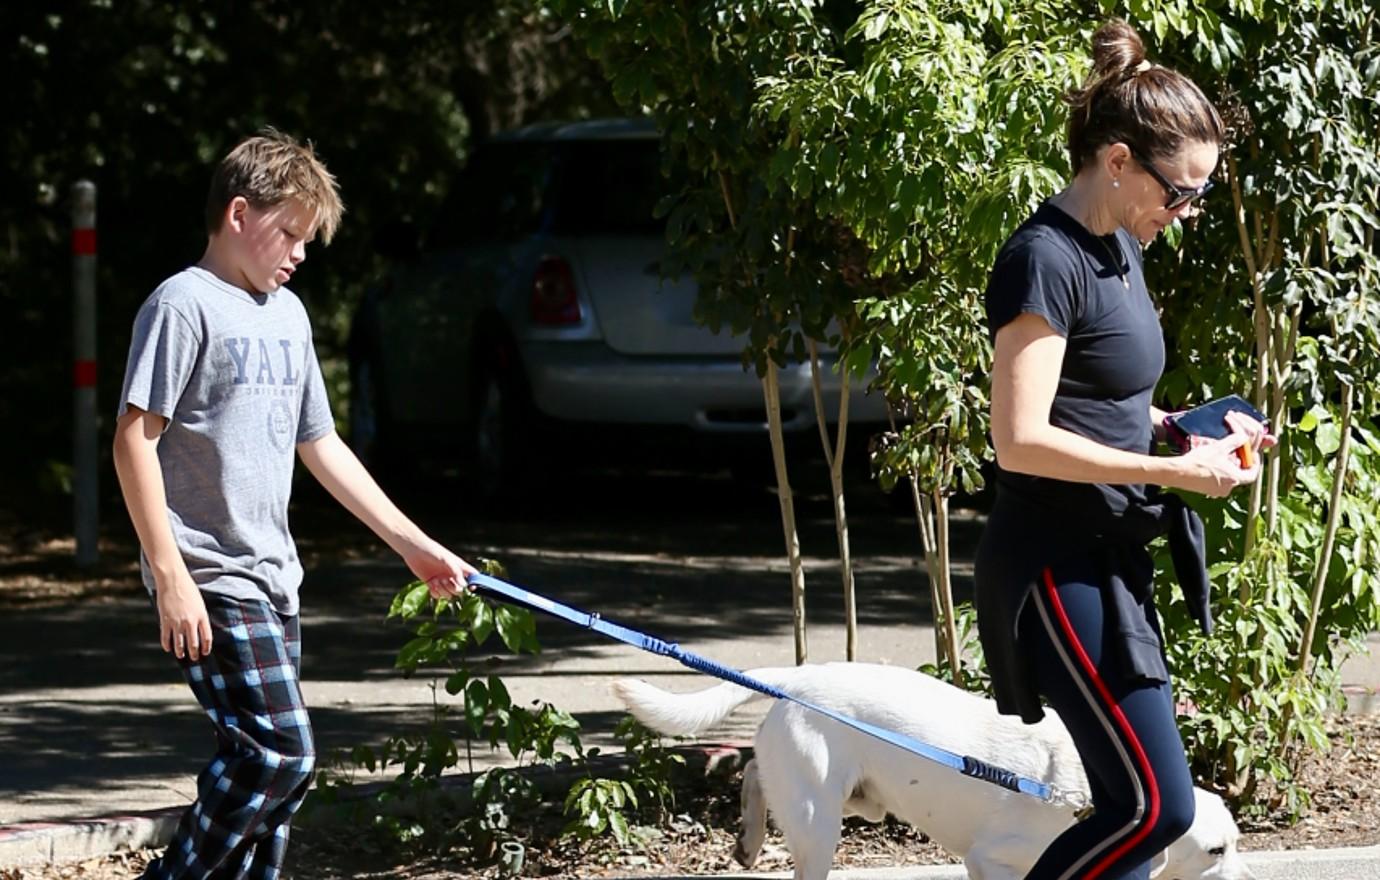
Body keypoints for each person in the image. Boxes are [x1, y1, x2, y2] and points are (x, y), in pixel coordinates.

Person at [112, 129, 477, 880]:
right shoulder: (183, 306)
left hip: (275, 577)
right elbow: (131, 440)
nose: (301, 253)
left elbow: (323, 445)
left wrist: (411, 543)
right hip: (212, 577)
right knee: (283, 751)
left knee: (274, 779)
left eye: (309, 239)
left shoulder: (289, 315)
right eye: (292, 232)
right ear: (239, 213)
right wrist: (171, 575)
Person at [973, 20, 1273, 880]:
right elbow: (1020, 440)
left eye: (1199, 194)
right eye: (1178, 192)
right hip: (1054, 567)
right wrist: (1171, 472)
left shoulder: (1121, 249)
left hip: (1110, 559)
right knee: (1154, 808)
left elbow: (1111, 404)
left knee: (1126, 810)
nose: (1186, 212)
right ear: (1115, 162)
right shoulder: (1044, 260)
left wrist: (1187, 429)